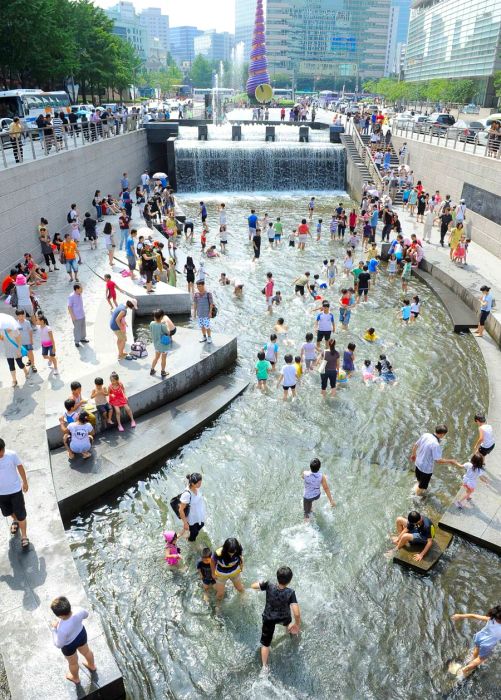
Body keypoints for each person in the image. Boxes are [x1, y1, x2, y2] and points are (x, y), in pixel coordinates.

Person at [250, 566, 301, 671]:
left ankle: (264, 667)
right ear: (290, 580)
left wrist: (261, 583)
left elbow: (253, 586)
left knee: (265, 644)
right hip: (284, 617)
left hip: (269, 618)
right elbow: (296, 613)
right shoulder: (290, 592)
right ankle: (295, 641)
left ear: (277, 577)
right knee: (290, 626)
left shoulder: (269, 585)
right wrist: (297, 624)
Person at [50, 596, 96, 685]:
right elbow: (86, 614)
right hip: (81, 634)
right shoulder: (78, 610)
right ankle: (92, 666)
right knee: (87, 651)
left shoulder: (61, 629)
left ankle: (75, 678)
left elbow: (59, 644)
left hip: (69, 645)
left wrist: (54, 629)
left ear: (60, 616)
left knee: (73, 663)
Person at [450, 605, 501, 678]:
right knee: (481, 659)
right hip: (487, 644)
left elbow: (473, 616)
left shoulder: (491, 619)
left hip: (479, 637)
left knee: (477, 648)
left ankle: (472, 658)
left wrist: (460, 616)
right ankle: (464, 670)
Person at [410, 425, 458, 496]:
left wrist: (413, 455)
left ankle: (417, 488)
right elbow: (438, 460)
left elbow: (415, 445)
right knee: (422, 487)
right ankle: (416, 497)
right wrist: (450, 461)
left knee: (419, 480)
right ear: (442, 434)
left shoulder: (425, 435)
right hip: (426, 469)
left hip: (418, 463)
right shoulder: (435, 444)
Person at [0, 439, 29, 549]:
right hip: (1, 493)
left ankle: (24, 536)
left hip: (15, 490)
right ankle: (14, 520)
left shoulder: (11, 455)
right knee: (8, 512)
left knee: (21, 513)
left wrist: (25, 482)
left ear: (3, 449)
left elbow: (20, 467)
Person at [178, 472, 206, 542]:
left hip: (199, 514)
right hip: (192, 518)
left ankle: (188, 534)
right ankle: (190, 541)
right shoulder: (187, 494)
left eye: (200, 482)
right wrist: (185, 523)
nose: (200, 484)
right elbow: (181, 510)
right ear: (193, 483)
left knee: (201, 524)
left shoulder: (195, 487)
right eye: (199, 483)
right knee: (194, 533)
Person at [150, 309, 175, 378]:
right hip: (163, 345)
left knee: (156, 357)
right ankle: (163, 372)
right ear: (161, 317)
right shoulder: (163, 325)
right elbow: (168, 332)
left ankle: (152, 369)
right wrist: (165, 324)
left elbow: (152, 330)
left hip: (156, 345)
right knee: (163, 359)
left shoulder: (151, 323)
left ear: (154, 317)